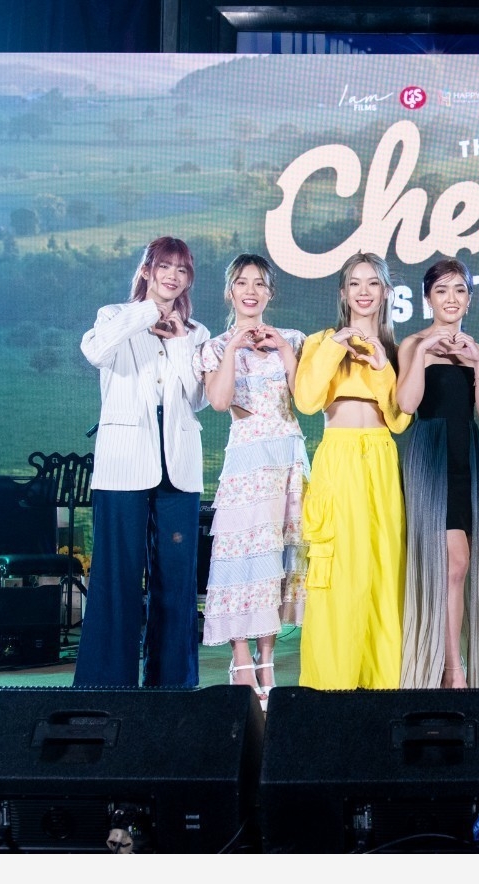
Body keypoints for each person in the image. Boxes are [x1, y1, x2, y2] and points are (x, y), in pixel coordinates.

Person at [75, 236, 209, 687]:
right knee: (117, 577)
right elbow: (95, 352)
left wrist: (180, 341)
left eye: (182, 270)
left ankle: (173, 685)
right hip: (124, 463)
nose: (173, 276)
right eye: (165, 267)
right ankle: (106, 686)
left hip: (179, 464)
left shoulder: (197, 333)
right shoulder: (114, 316)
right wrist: (149, 312)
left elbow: (198, 398)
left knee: (177, 580)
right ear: (147, 271)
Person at [195, 253, 308, 709]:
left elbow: (306, 399)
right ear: (229, 291)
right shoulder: (215, 346)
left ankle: (268, 658)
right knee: (243, 557)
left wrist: (284, 350)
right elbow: (220, 402)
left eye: (260, 283)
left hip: (289, 456)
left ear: (270, 292)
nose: (251, 291)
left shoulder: (292, 339)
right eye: (242, 283)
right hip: (247, 461)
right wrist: (233, 349)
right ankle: (240, 658)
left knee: (278, 560)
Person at [293, 252, 409, 689]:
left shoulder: (395, 348)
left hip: (381, 458)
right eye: (355, 283)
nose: (364, 292)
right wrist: (335, 347)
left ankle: (383, 684)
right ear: (343, 292)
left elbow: (399, 419)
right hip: (338, 457)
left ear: (385, 292)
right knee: (339, 572)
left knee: (383, 570)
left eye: (373, 283)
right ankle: (330, 686)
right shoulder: (321, 341)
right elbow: (306, 401)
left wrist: (381, 367)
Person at [397, 258, 479, 689]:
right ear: (428, 298)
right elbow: (406, 404)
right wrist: (423, 352)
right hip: (430, 453)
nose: (451, 298)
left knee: (459, 565)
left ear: (470, 299)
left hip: (465, 455)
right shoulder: (412, 344)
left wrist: (477, 362)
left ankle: (448, 664)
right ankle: (449, 668)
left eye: (459, 290)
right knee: (450, 562)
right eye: (441, 290)